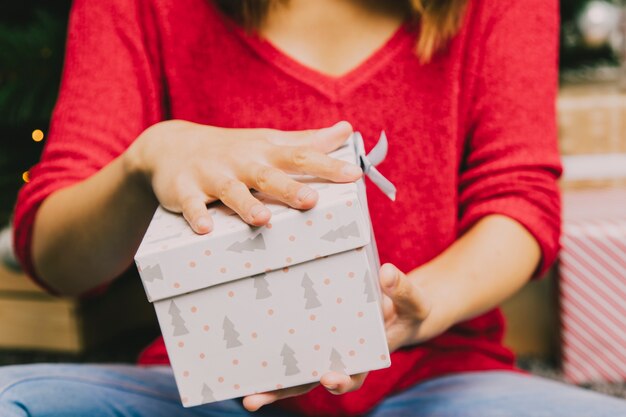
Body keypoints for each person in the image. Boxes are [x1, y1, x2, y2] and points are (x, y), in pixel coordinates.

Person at [3, 0, 626, 416]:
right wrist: (146, 163)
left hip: (438, 379)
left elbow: (518, 200)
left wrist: (414, 305)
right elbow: (55, 257)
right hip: (208, 386)